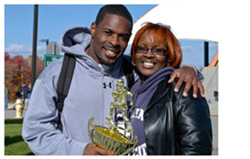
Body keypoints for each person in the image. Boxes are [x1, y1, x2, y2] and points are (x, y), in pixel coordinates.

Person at [22, 5, 204, 155]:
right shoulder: (59, 72)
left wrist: (189, 70)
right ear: (93, 29)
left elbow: (159, 67)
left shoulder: (129, 69)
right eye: (108, 32)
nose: (115, 42)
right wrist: (80, 151)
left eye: (123, 37)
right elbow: (35, 130)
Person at [125, 23, 212, 155]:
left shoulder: (183, 89)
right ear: (133, 55)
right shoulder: (132, 89)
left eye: (158, 50)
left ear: (169, 57)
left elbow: (197, 149)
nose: (148, 55)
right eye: (142, 48)